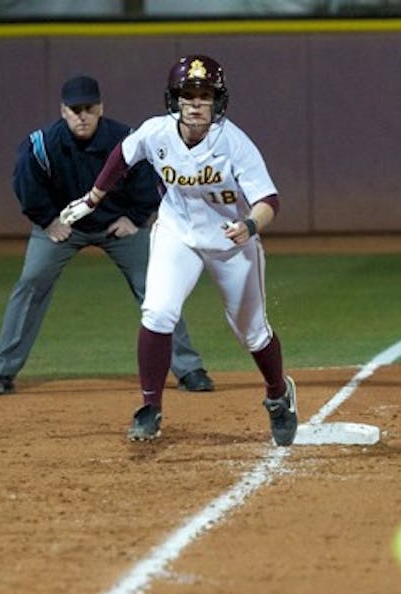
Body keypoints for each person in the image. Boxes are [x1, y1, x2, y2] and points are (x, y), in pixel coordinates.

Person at [59, 55, 297, 446]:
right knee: (158, 311)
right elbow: (123, 154)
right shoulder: (157, 133)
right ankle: (150, 407)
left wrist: (250, 225)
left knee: (252, 333)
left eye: (205, 95)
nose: (196, 103)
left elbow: (269, 199)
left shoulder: (234, 143)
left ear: (218, 101)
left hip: (230, 243)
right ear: (175, 100)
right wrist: (93, 198)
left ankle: (277, 394)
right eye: (188, 95)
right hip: (177, 236)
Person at [0, 75, 213, 397]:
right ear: (63, 111)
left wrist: (135, 216)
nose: (82, 116)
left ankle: (189, 369)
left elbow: (153, 176)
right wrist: (47, 221)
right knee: (31, 283)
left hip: (117, 225)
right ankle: (0, 373)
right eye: (75, 110)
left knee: (157, 288)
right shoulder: (42, 144)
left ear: (101, 108)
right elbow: (26, 183)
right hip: (62, 225)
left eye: (88, 108)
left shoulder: (125, 139)